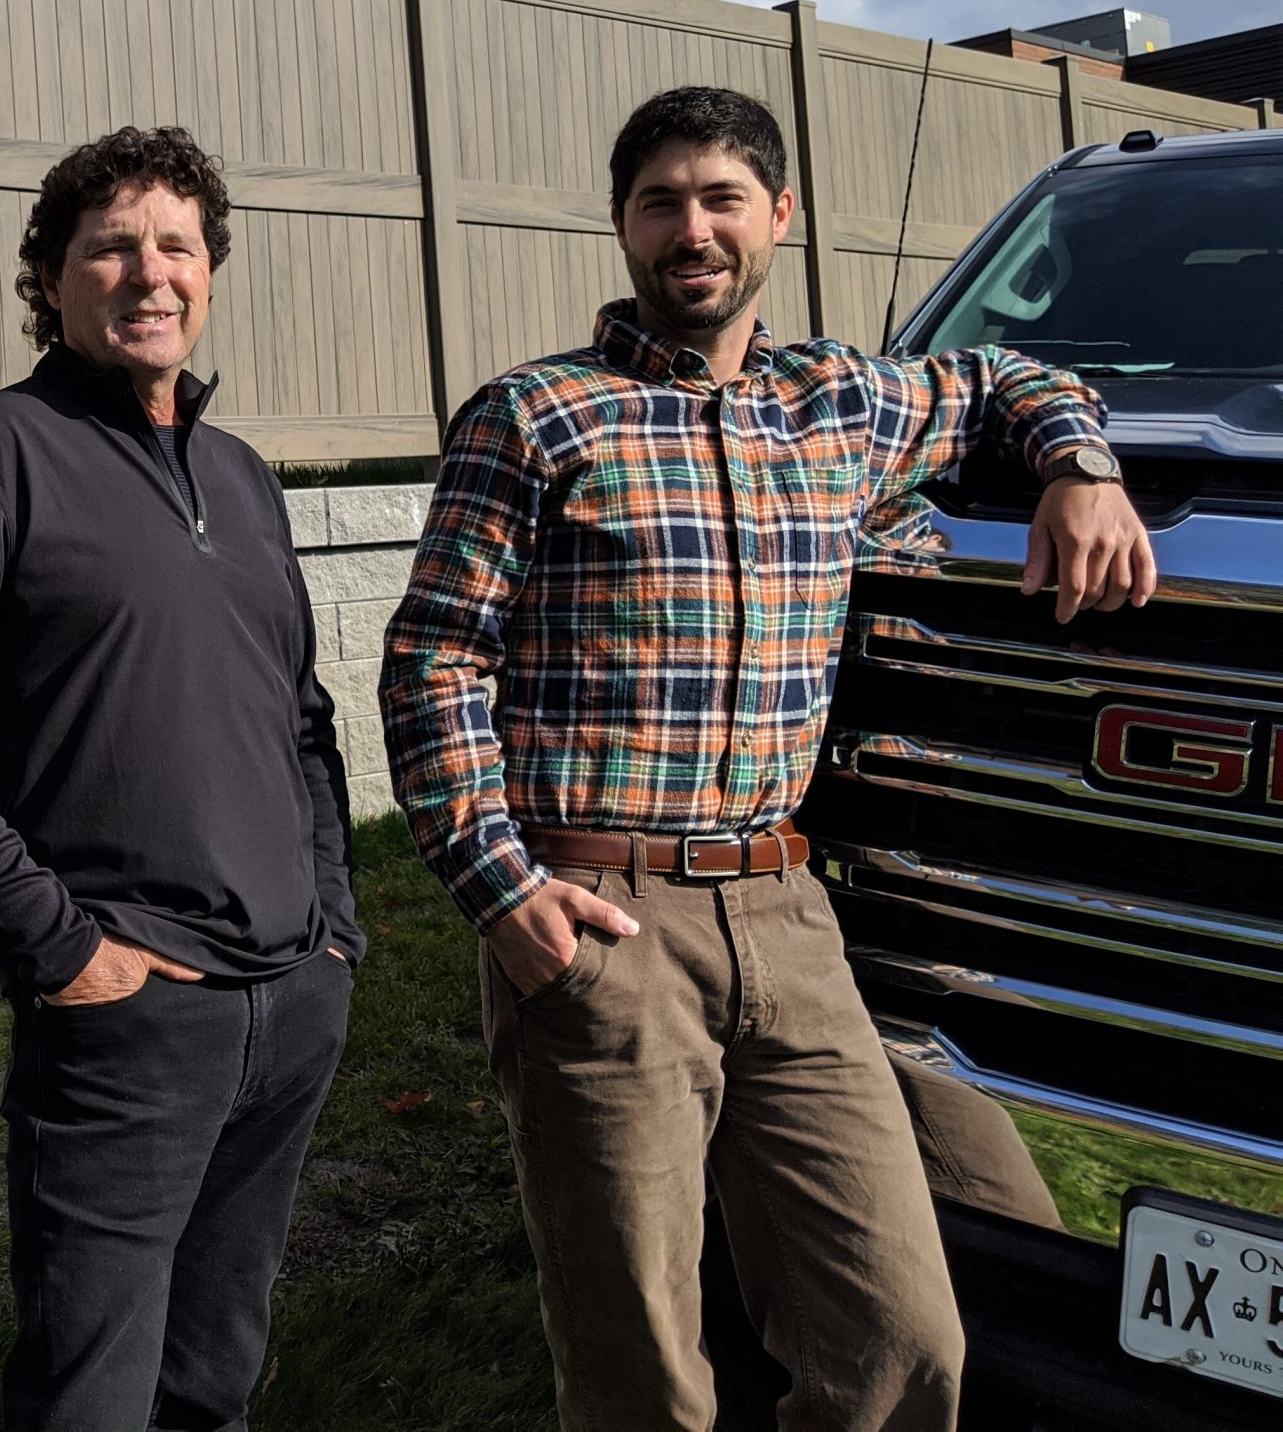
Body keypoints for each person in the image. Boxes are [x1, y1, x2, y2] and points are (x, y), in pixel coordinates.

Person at [378, 86, 1153, 1432]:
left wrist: (1080, 468)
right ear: (621, 226)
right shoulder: (536, 417)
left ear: (779, 217)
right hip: (603, 922)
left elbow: (1018, 376)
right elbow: (433, 662)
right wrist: (505, 898)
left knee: (901, 1342)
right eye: (661, 202)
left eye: (722, 197)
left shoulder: (842, 403)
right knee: (643, 1373)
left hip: (792, 918)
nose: (694, 229)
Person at [0, 124, 365, 1432]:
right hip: (129, 1017)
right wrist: (63, 951)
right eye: (112, 247)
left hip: (286, 1005)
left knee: (215, 1380)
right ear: (53, 275)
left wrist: (333, 934)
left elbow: (302, 719)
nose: (150, 274)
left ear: (211, 270)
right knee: (92, 1393)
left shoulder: (242, 478)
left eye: (176, 245)